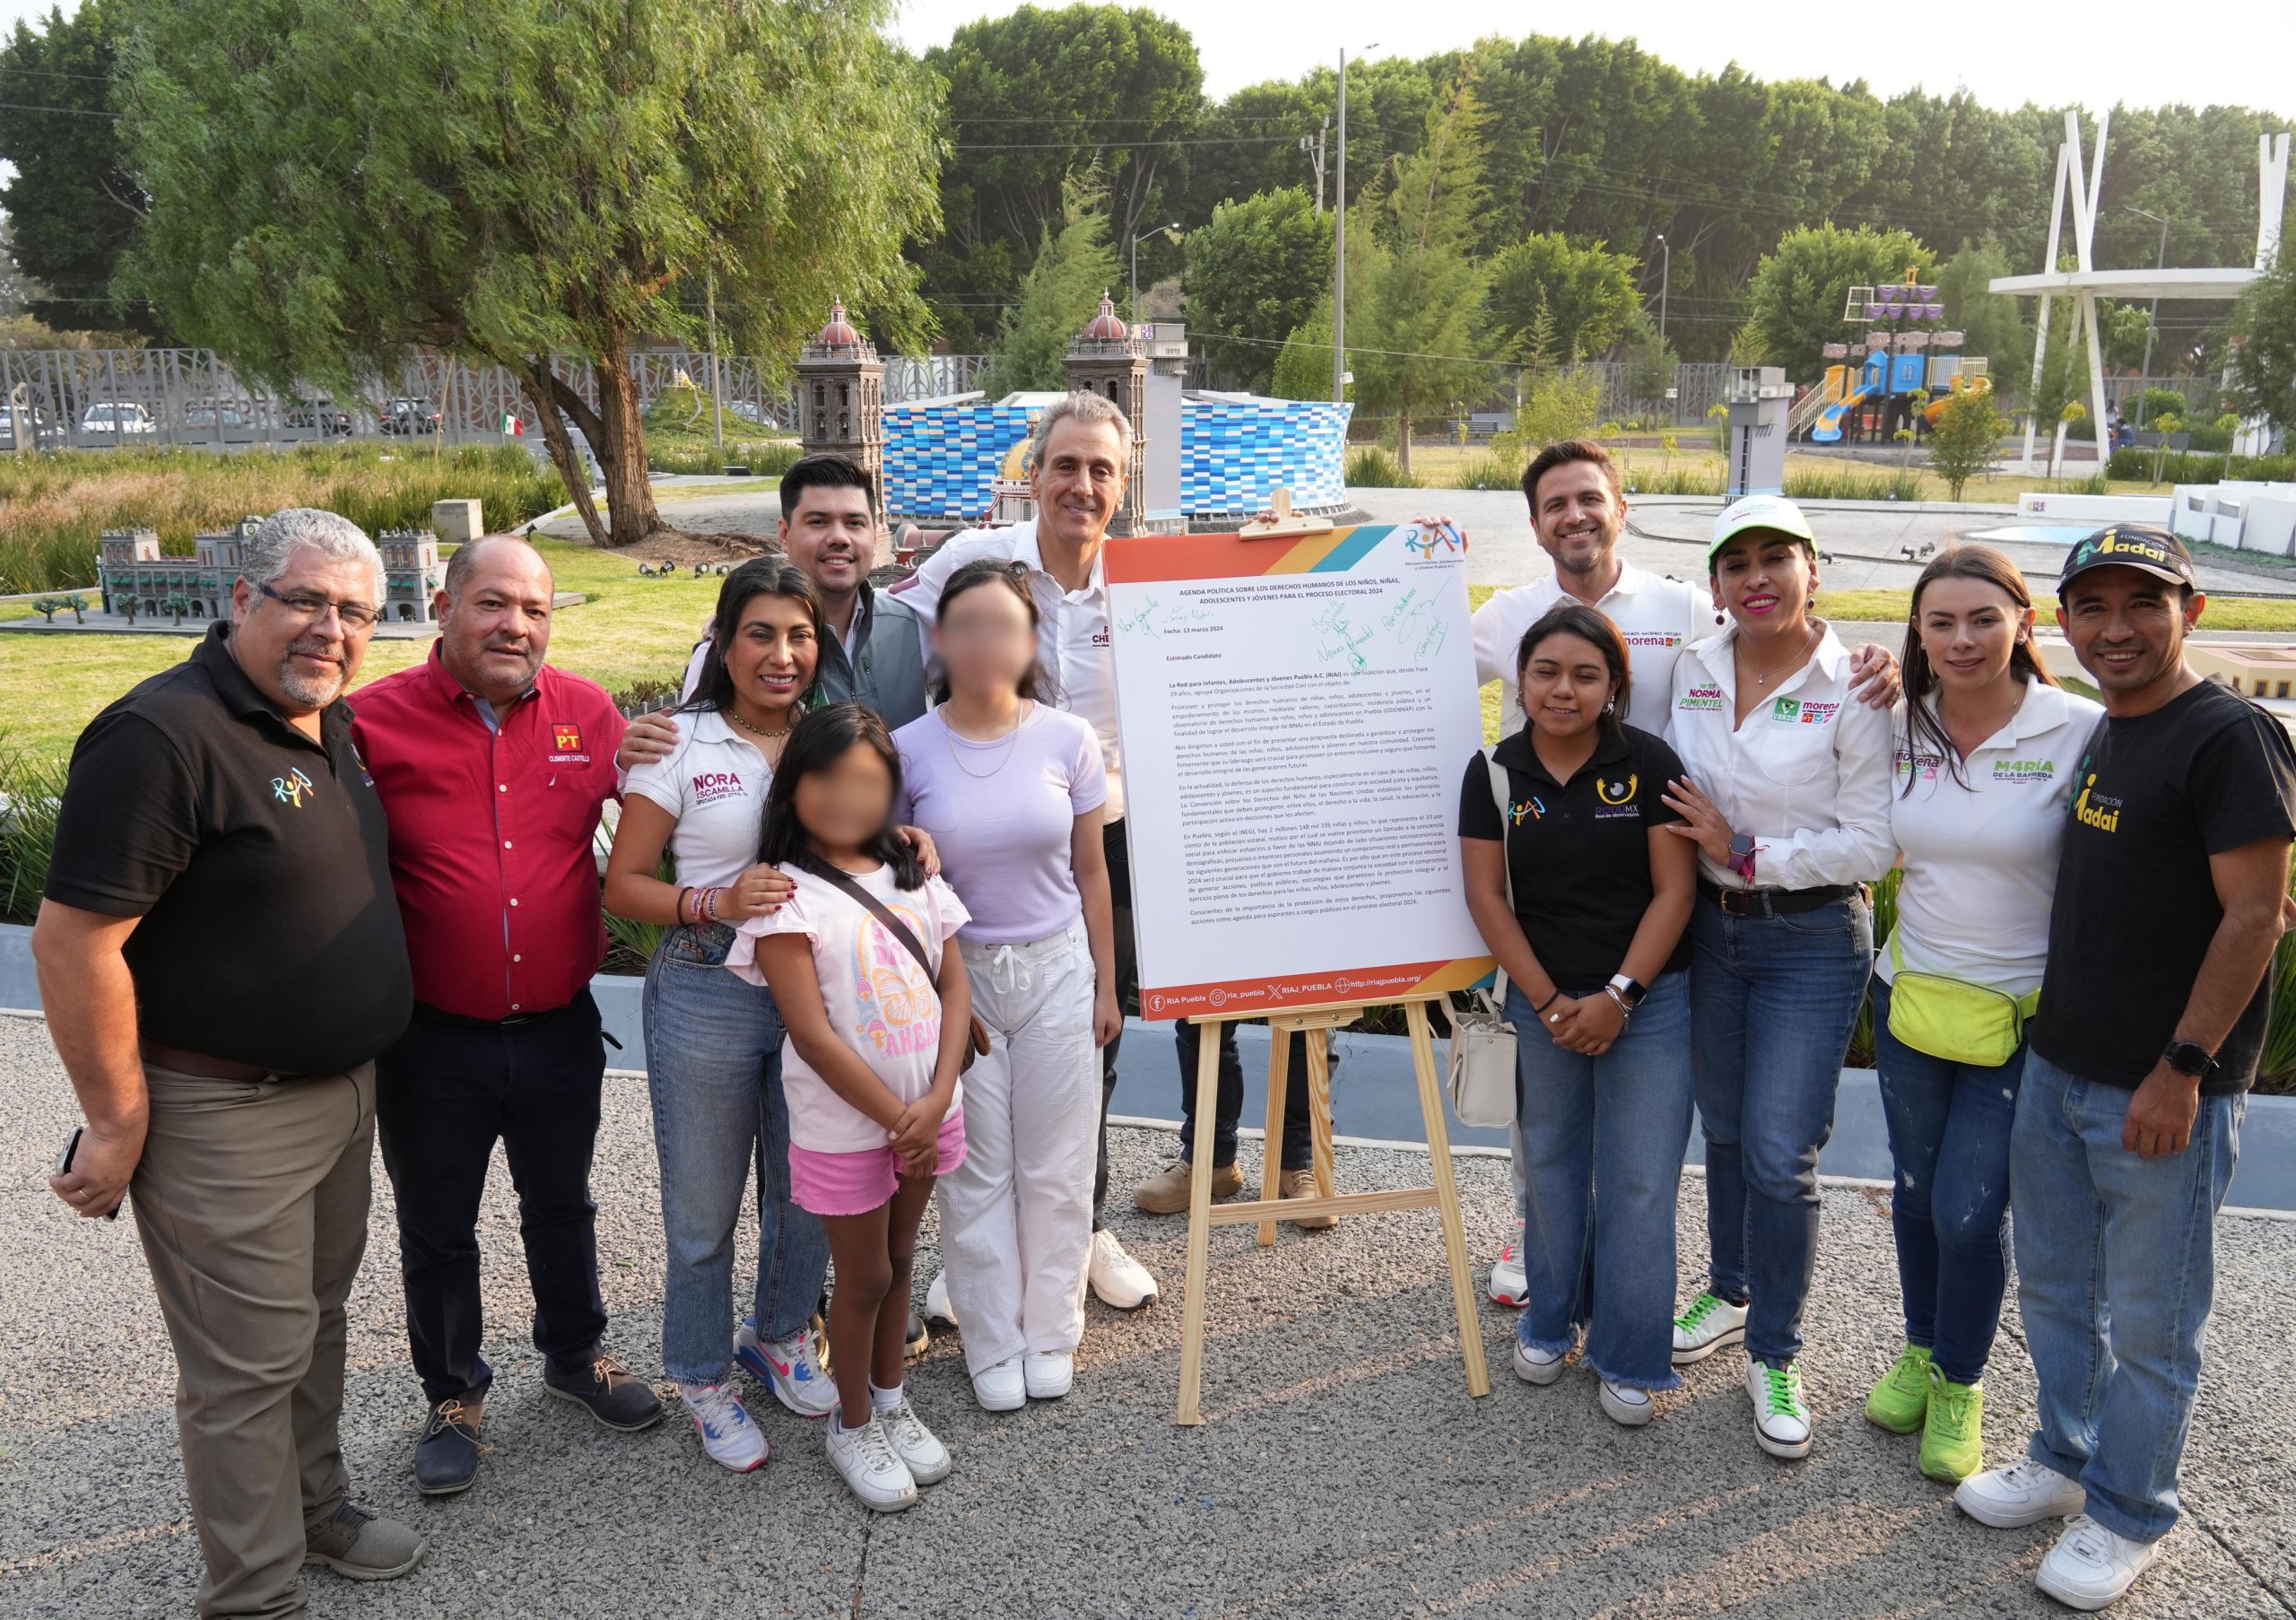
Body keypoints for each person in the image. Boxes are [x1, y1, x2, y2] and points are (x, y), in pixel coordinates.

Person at [37, 509, 426, 1616]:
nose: (331, 628)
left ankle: (314, 1508)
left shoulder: (320, 718)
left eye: (354, 611)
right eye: (306, 600)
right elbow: (77, 941)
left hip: (342, 1096)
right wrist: (115, 1124)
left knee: (316, 1325)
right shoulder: (161, 737)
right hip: (224, 1109)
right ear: (242, 599)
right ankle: (254, 1596)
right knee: (244, 1369)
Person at [892, 392, 1322, 1314]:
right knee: (966, 1037)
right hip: (975, 833)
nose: (1080, 485)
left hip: (1111, 836)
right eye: (1065, 465)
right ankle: (973, 1247)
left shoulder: (1149, 581)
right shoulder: (974, 562)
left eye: (1101, 470)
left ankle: (1076, 1230)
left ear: (1123, 488)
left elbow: (1273, 627)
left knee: (1089, 1033)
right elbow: (875, 641)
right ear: (1032, 473)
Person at [1465, 440, 1898, 1310]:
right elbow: (1410, 662)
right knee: (1550, 1112)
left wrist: (1882, 660)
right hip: (1564, 879)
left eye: (1590, 498)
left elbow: (1778, 624)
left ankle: (1728, 1307)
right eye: (1555, 504)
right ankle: (1541, 1229)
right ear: (1535, 523)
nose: (1574, 515)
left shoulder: (1684, 605)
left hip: (1666, 890)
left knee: (1696, 1127)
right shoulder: (1507, 614)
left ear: (1621, 508)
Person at [1955, 526, 2294, 1612]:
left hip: (2161, 1088)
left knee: (2150, 1322)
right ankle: (2065, 1457)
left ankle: (2130, 1511)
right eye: (2091, 607)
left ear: (2189, 612)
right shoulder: (2108, 730)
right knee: (2056, 1288)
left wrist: (2182, 1069)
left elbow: (2255, 917)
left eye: (2141, 604)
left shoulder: (2228, 738)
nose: (2116, 627)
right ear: (2063, 623)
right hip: (2057, 1069)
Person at [352, 536, 664, 1498]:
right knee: (438, 1226)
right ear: (443, 606)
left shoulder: (589, 714)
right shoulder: (367, 724)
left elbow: (678, 819)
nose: (515, 626)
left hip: (560, 1028)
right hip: (431, 1040)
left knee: (562, 1205)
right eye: (493, 604)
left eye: (534, 610)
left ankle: (575, 1357)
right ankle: (453, 1395)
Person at [1658, 494, 1897, 1461]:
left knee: (1778, 1152)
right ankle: (1730, 1285)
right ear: (1714, 583)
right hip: (1712, 936)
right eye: (1735, 562)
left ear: (1812, 569)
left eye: (1775, 558)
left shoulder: (1858, 688)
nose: (1755, 577)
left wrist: (1742, 851)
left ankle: (1776, 1349)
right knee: (1721, 1131)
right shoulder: (1691, 665)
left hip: (1809, 938)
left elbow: (1869, 844)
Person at [1861, 546, 2101, 1487]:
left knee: (1969, 1210)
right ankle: (1923, 1349)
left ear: (2024, 624)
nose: (1961, 640)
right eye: (1939, 623)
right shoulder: (1898, 726)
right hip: (1910, 996)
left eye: (1981, 619)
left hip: (2021, 1016)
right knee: (1915, 1193)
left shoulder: (2078, 729)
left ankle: (1962, 1378)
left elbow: (2183, 775)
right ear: (1915, 634)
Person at [604, 560, 839, 1469]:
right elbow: (622, 882)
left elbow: (864, 844)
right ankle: (702, 1375)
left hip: (816, 988)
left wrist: (910, 842)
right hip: (708, 985)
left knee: (807, 1186)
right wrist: (714, 903)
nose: (781, 655)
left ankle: (778, 1335)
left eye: (800, 635)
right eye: (761, 634)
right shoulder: (679, 743)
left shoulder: (831, 738)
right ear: (724, 640)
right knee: (703, 1210)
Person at [1457, 605, 1698, 1428]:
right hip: (1542, 1006)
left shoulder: (1649, 761)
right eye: (1547, 672)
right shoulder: (1493, 771)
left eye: (1586, 674)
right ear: (1520, 680)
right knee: (1552, 1167)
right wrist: (1553, 1002)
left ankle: (1631, 1354)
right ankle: (1549, 1320)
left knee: (1638, 1181)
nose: (1564, 689)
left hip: (1651, 1004)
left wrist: (1620, 996)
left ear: (1615, 687)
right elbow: (1487, 898)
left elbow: (1676, 891)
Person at [731, 704, 974, 1513]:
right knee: (863, 1275)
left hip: (928, 1111)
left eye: (868, 782)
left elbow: (954, 982)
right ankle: (852, 1421)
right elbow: (811, 1030)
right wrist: (896, 1116)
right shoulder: (782, 897)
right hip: (847, 1127)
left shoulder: (914, 873)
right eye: (826, 778)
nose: (846, 798)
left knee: (903, 1261)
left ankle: (893, 1401)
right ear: (793, 786)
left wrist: (935, 1099)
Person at [894, 560, 1121, 1411]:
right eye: (970, 626)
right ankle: (990, 1339)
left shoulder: (1067, 737)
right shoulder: (907, 748)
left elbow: (1091, 872)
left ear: (1031, 642)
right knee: (975, 1168)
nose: (988, 643)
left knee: (1059, 1164)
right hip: (961, 983)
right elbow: (889, 877)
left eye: (1007, 626)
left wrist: (1106, 985)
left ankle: (1051, 1329)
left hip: (1060, 968)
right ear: (942, 641)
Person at [673, 453, 927, 727]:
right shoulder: (730, 648)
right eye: (818, 522)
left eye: (855, 523)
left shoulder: (916, 626)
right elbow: (690, 742)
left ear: (874, 536)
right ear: (784, 535)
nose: (839, 538)